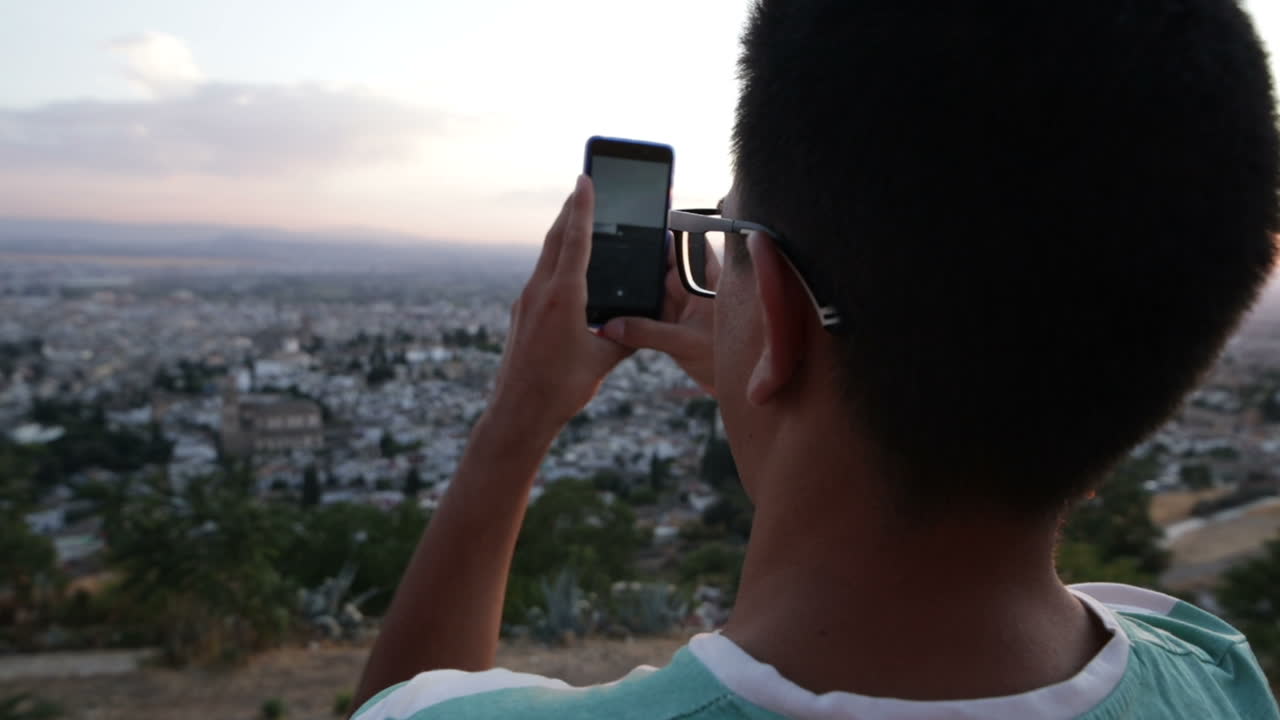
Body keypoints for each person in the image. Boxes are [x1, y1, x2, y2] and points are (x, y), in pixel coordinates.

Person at [351, 0, 1280, 717]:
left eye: (726, 237)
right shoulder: (1213, 672)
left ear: (784, 313)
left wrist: (516, 419)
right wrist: (788, 395)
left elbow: (406, 697)